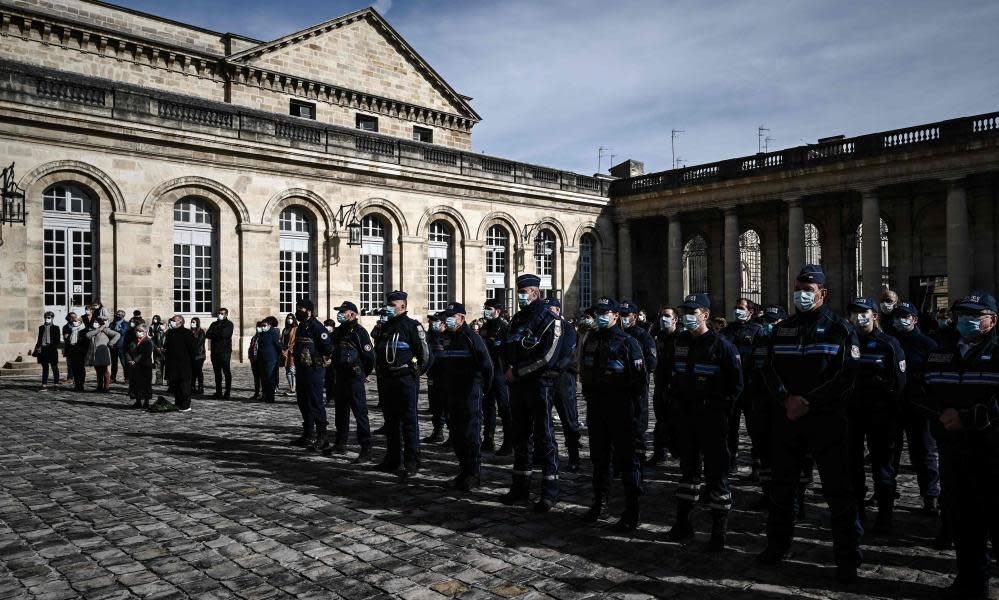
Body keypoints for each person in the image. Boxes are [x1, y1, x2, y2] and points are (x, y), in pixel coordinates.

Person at [758, 264, 861, 583]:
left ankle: (847, 557)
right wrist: (786, 399)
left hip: (826, 422)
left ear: (822, 293)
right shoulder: (783, 329)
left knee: (838, 491)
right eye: (798, 288)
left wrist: (810, 402)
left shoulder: (840, 330)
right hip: (788, 420)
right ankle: (777, 545)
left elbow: (846, 377)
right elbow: (768, 369)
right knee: (782, 488)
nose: (801, 294)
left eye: (808, 290)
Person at [922, 291, 999, 600]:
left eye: (974, 315)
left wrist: (968, 418)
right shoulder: (941, 352)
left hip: (993, 451)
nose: (965, 320)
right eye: (961, 314)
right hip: (954, 450)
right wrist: (941, 415)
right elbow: (922, 392)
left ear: (992, 320)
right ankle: (970, 581)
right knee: (964, 520)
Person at [666, 293, 743, 551]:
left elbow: (736, 386)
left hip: (712, 419)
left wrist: (719, 410)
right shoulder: (680, 342)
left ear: (705, 315)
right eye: (685, 311)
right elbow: (673, 379)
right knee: (688, 472)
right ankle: (683, 522)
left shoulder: (722, 346)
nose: (687, 316)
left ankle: (718, 531)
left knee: (716, 475)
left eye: (692, 311)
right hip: (687, 418)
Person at [499, 274, 569, 513]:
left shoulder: (550, 320)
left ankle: (549, 492)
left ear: (535, 293)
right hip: (518, 387)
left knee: (544, 438)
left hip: (539, 386)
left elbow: (548, 357)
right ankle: (520, 487)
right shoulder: (518, 318)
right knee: (520, 436)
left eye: (524, 291)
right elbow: (507, 347)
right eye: (519, 291)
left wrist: (517, 371)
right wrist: (508, 370)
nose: (521, 295)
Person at [578, 297, 648, 530]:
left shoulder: (628, 343)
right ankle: (599, 503)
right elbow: (585, 371)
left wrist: (634, 415)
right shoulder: (591, 340)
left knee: (627, 461)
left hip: (621, 408)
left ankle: (632, 509)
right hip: (597, 408)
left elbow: (640, 383)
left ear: (616, 316)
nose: (600, 315)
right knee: (599, 459)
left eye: (604, 312)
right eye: (598, 311)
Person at [845, 297, 906, 535]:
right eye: (855, 312)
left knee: (882, 467)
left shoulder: (888, 344)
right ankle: (857, 511)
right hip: (852, 414)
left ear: (874, 315)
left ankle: (885, 514)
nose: (859, 317)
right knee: (853, 466)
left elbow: (899, 382)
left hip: (881, 415)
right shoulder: (847, 342)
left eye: (864, 312)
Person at [889, 302, 941, 516]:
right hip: (893, 405)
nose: (901, 320)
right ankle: (886, 493)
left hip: (918, 406)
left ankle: (930, 497)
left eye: (905, 316)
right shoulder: (889, 341)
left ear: (914, 319)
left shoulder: (927, 344)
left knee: (923, 452)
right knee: (890, 452)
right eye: (897, 316)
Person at [373, 291, 431, 476]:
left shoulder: (411, 326)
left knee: (409, 422)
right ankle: (392, 459)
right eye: (388, 304)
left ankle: (412, 462)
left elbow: (424, 355)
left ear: (403, 307)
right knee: (391, 421)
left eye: (392, 305)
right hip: (388, 380)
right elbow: (380, 351)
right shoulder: (385, 327)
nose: (388, 308)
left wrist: (413, 370)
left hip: (405, 379)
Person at [437, 302, 493, 490]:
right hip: (452, 391)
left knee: (471, 433)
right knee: (457, 433)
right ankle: (463, 471)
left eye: (451, 316)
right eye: (446, 316)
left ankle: (473, 474)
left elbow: (487, 366)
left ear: (461, 318)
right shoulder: (447, 338)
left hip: (470, 392)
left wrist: (483, 388)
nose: (447, 319)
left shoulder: (471, 337)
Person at [720, 298, 766, 474]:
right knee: (730, 428)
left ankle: (757, 464)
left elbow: (760, 359)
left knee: (754, 429)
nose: (737, 311)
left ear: (750, 312)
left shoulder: (757, 331)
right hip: (731, 387)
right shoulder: (727, 331)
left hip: (750, 387)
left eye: (741, 308)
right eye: (736, 308)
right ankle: (731, 460)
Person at [748, 304, 787, 507]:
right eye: (767, 321)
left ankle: (789, 497)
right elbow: (754, 369)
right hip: (761, 402)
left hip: (782, 404)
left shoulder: (789, 343)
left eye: (774, 322)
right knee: (763, 449)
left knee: (783, 451)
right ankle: (766, 492)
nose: (770, 325)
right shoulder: (760, 342)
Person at [326, 301, 375, 461]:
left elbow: (369, 357)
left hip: (354, 377)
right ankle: (340, 443)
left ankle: (366, 447)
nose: (339, 314)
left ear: (352, 314)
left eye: (343, 311)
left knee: (360, 413)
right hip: (340, 376)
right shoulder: (339, 331)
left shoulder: (359, 332)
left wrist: (362, 374)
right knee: (341, 412)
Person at [288, 299, 333, 452]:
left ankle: (322, 436)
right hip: (302, 369)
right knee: (303, 402)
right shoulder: (302, 326)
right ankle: (308, 434)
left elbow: (327, 348)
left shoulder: (317, 327)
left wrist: (315, 357)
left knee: (315, 403)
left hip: (314, 370)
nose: (297, 311)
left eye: (300, 309)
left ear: (308, 311)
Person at [545, 297, 582, 473]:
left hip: (562, 378)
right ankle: (545, 454)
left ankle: (574, 456)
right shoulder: (543, 327)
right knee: (544, 419)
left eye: (550, 309)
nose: (547, 313)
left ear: (558, 310)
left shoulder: (567, 328)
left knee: (569, 419)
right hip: (545, 377)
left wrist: (554, 368)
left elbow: (568, 353)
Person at [619, 301, 657, 468]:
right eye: (620, 314)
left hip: (637, 385)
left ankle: (638, 459)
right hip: (618, 386)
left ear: (634, 317)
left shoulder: (643, 335)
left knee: (638, 422)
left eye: (626, 315)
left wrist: (636, 372)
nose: (622, 318)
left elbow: (652, 361)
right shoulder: (616, 334)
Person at [647, 307, 679, 467]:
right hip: (660, 383)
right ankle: (659, 453)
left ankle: (678, 451)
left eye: (667, 316)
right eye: (662, 316)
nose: (663, 319)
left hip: (675, 386)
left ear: (675, 319)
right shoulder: (659, 336)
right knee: (660, 421)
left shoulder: (681, 337)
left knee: (676, 421)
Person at [479, 298, 512, 454]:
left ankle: (508, 442)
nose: (485, 310)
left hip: (500, 371)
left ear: (498, 311)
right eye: (485, 308)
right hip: (488, 372)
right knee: (488, 408)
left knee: (505, 409)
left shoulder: (504, 327)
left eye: (489, 308)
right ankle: (488, 438)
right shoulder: (485, 326)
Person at [423, 312, 449, 444]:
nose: (432, 323)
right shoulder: (429, 337)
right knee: (435, 405)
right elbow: (421, 354)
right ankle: (438, 432)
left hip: (447, 376)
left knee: (448, 406)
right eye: (431, 321)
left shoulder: (450, 337)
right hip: (432, 376)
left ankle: (453, 436)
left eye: (435, 321)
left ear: (443, 323)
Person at [164, 314, 196, 411]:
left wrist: (192, 363)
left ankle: (186, 405)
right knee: (175, 386)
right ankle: (178, 403)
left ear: (180, 322)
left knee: (184, 386)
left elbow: (192, 349)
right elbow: (167, 346)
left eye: (174, 320)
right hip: (172, 364)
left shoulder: (187, 333)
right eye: (172, 320)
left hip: (184, 364)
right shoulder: (170, 333)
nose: (172, 322)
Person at [85, 316, 120, 393]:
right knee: (98, 371)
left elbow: (117, 334)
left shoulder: (105, 330)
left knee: (104, 370)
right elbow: (87, 335)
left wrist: (111, 343)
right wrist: (99, 329)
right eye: (94, 322)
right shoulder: (92, 330)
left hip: (103, 353)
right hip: (94, 353)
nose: (95, 324)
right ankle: (99, 387)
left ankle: (106, 387)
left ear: (100, 323)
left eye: (96, 322)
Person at [205, 307, 233, 399]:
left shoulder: (229, 324)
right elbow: (208, 334)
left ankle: (227, 392)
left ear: (226, 314)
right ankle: (218, 391)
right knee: (217, 373)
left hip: (225, 351)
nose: (220, 315)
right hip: (215, 351)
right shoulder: (214, 324)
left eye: (222, 313)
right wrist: (217, 334)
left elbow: (224, 335)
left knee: (226, 372)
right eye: (219, 313)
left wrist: (215, 334)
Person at [126, 324, 153, 409]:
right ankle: (138, 401)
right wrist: (130, 360)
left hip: (144, 366)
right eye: (137, 331)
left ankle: (146, 402)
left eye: (140, 331)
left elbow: (145, 353)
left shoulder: (148, 341)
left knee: (145, 384)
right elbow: (127, 351)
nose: (138, 333)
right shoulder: (132, 341)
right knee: (135, 384)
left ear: (145, 332)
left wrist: (135, 361)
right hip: (134, 367)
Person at [257, 317, 282, 403]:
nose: (262, 327)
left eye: (264, 325)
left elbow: (278, 345)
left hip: (271, 358)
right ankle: (265, 395)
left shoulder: (273, 333)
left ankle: (270, 397)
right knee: (263, 378)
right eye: (262, 325)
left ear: (269, 325)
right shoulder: (262, 334)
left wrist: (279, 355)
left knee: (270, 378)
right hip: (262, 358)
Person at [34, 311, 61, 389]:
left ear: (52, 318)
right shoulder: (41, 327)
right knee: (45, 368)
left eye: (49, 317)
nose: (47, 319)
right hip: (43, 349)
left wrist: (50, 345)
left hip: (52, 349)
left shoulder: (56, 328)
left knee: (54, 367)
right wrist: (38, 347)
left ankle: (56, 384)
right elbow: (39, 339)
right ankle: (44, 384)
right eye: (46, 317)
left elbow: (57, 340)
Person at [65, 314, 88, 391]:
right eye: (74, 321)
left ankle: (81, 385)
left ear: (80, 322)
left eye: (76, 321)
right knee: (74, 369)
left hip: (81, 352)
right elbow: (67, 340)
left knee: (81, 369)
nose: (75, 322)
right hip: (72, 351)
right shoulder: (71, 329)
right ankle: (77, 384)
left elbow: (86, 342)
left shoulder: (84, 330)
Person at [281, 313, 298, 397]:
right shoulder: (285, 329)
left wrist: (290, 348)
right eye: (288, 318)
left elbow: (296, 341)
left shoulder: (296, 329)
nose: (289, 319)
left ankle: (294, 388)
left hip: (292, 352)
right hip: (285, 352)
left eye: (291, 318)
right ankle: (290, 387)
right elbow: (282, 340)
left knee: (292, 370)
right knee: (287, 371)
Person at [111, 309, 129, 383]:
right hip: (113, 345)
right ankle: (113, 377)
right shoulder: (112, 323)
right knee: (113, 363)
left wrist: (114, 332)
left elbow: (123, 332)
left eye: (119, 314)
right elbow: (108, 331)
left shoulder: (126, 323)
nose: (117, 315)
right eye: (117, 314)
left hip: (121, 345)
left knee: (124, 363)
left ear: (123, 316)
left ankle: (127, 378)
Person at [190, 317, 207, 395]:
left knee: (198, 371)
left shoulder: (201, 332)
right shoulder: (190, 332)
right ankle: (192, 386)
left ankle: (201, 387)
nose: (192, 323)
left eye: (193, 322)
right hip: (192, 355)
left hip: (199, 355)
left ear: (197, 323)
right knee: (192, 372)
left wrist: (191, 348)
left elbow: (199, 343)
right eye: (191, 322)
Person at [248, 321, 264, 401]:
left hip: (260, 359)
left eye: (260, 326)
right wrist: (250, 356)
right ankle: (257, 393)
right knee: (256, 377)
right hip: (254, 359)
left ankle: (262, 393)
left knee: (262, 377)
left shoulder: (263, 336)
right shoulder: (255, 337)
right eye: (257, 326)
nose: (258, 328)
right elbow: (251, 347)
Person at [62, 313, 79, 386]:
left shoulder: (79, 326)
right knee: (70, 364)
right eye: (72, 317)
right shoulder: (66, 327)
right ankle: (70, 378)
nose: (74, 319)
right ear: (69, 318)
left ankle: (77, 378)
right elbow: (66, 337)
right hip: (69, 348)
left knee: (77, 364)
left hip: (77, 348)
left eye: (75, 317)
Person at [150, 315, 167, 386]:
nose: (161, 326)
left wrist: (165, 348)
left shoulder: (169, 333)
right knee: (158, 367)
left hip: (166, 352)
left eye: (163, 325)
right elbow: (152, 341)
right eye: (160, 325)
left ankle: (169, 381)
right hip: (157, 351)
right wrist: (157, 348)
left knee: (167, 367)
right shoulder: (156, 333)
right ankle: (159, 381)